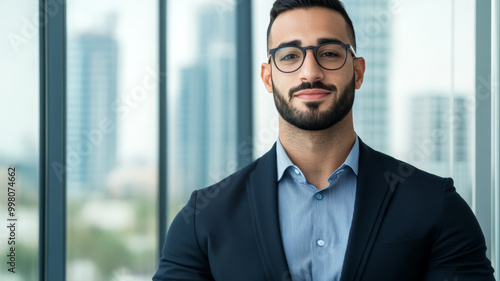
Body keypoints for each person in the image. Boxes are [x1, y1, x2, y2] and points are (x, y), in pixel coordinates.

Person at [153, 0, 495, 280]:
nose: (310, 72)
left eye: (329, 53)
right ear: (268, 77)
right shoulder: (202, 219)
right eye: (289, 56)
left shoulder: (436, 206)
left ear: (357, 72)